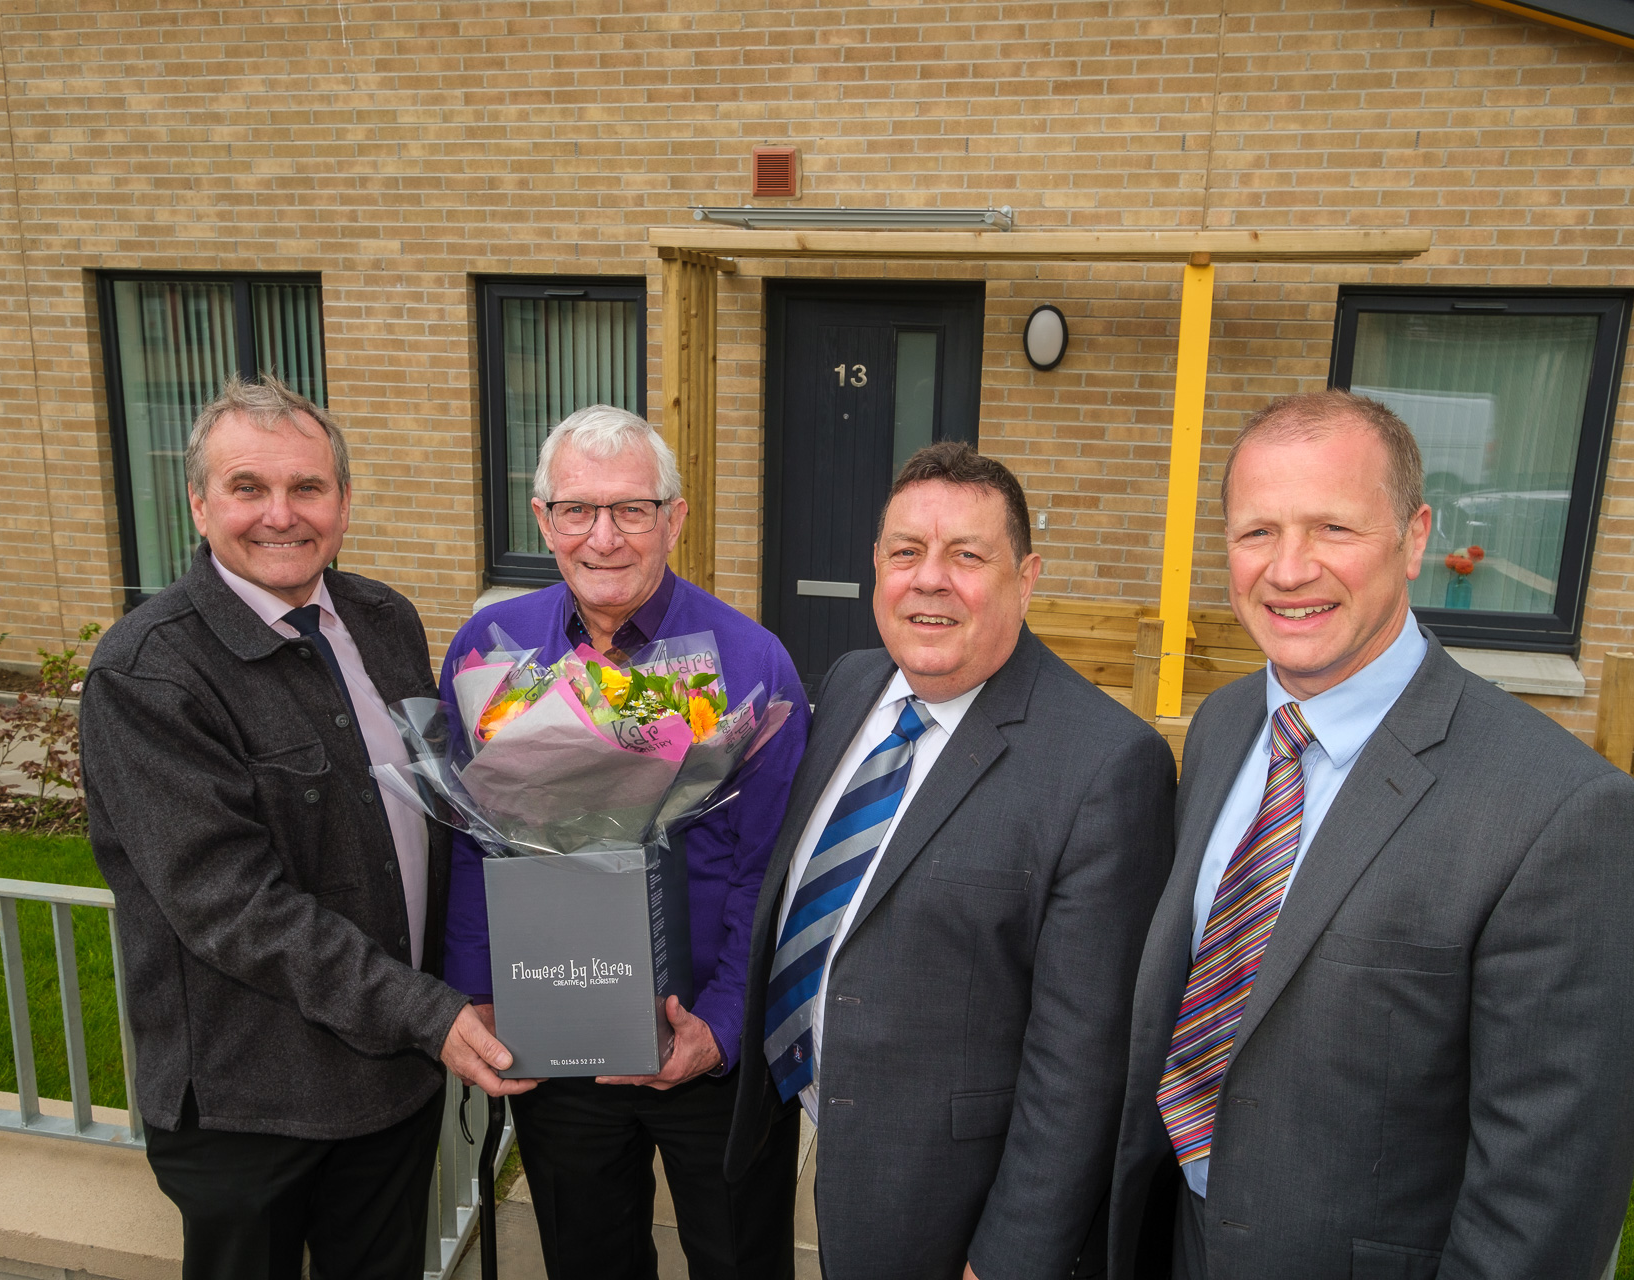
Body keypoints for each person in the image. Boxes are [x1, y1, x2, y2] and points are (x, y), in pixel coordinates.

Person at [1106, 390, 1634, 1279]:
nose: (1288, 570)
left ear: (1414, 539)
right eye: (1257, 533)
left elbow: (1543, 1208)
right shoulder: (1222, 728)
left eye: (1333, 528)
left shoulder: (1567, 817)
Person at [81, 376, 517, 1279]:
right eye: (248, 488)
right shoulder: (149, 673)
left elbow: (437, 808)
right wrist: (426, 1011)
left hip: (391, 1081)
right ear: (200, 504)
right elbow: (231, 905)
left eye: (307, 488)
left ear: (344, 503)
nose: (281, 515)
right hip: (254, 1105)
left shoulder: (383, 618)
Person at [725, 442, 1177, 1280]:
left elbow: (1080, 1067)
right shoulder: (856, 684)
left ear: (1027, 577)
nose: (929, 579)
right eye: (906, 552)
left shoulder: (1107, 766)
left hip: (946, 1201)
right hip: (817, 1130)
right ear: (876, 568)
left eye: (967, 555)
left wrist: (1007, 1260)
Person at [442, 404, 809, 1280]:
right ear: (543, 520)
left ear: (674, 519)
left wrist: (719, 1029)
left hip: (709, 1048)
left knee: (740, 1260)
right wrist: (477, 999)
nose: (603, 536)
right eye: (577, 509)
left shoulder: (753, 664)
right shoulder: (488, 653)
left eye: (632, 509)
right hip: (556, 1037)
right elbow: (469, 845)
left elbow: (771, 873)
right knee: (588, 1261)